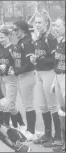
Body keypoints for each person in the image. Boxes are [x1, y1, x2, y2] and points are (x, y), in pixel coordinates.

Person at [31, 12, 62, 147]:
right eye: (36, 22)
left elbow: (55, 59)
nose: (37, 25)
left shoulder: (50, 38)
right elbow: (40, 57)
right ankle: (47, 134)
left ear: (47, 24)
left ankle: (58, 136)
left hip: (49, 73)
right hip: (38, 73)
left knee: (53, 105)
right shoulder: (38, 38)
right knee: (42, 106)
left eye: (40, 22)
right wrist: (34, 59)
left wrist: (39, 59)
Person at [10, 20, 39, 141]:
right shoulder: (21, 41)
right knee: (26, 104)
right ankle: (29, 129)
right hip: (21, 75)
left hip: (27, 75)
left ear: (22, 29)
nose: (14, 32)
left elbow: (29, 64)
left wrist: (17, 71)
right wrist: (14, 66)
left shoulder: (27, 42)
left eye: (15, 29)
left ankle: (31, 131)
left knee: (28, 105)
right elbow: (19, 59)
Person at [0, 28, 26, 128]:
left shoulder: (13, 48)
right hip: (2, 79)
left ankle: (21, 124)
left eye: (3, 37)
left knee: (10, 105)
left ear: (8, 36)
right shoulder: (0, 49)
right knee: (4, 105)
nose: (1, 39)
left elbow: (17, 63)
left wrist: (7, 67)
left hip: (11, 79)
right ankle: (8, 126)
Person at [51, 14, 65, 152]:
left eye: (58, 25)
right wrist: (55, 81)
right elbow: (57, 63)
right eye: (54, 25)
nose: (55, 28)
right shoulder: (59, 41)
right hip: (59, 77)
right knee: (62, 109)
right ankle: (63, 142)